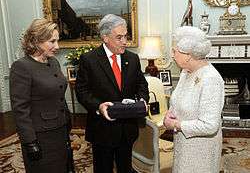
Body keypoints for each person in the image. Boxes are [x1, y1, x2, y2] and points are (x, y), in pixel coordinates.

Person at [75, 14, 149, 173]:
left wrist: (142, 101)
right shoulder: (89, 60)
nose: (125, 42)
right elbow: (82, 91)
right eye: (119, 37)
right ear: (105, 38)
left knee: (125, 168)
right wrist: (98, 106)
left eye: (126, 36)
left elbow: (141, 84)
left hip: (127, 128)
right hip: (102, 129)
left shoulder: (132, 58)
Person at [9, 18, 74, 173]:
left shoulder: (54, 62)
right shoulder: (21, 67)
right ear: (36, 40)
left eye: (57, 41)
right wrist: (30, 142)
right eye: (52, 41)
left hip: (60, 130)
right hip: (41, 135)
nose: (57, 46)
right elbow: (20, 110)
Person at [163, 26, 224, 173]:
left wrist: (176, 124)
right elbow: (178, 100)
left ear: (188, 54)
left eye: (174, 50)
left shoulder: (211, 79)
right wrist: (169, 114)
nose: (172, 55)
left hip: (201, 151)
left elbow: (210, 125)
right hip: (183, 146)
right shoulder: (186, 71)